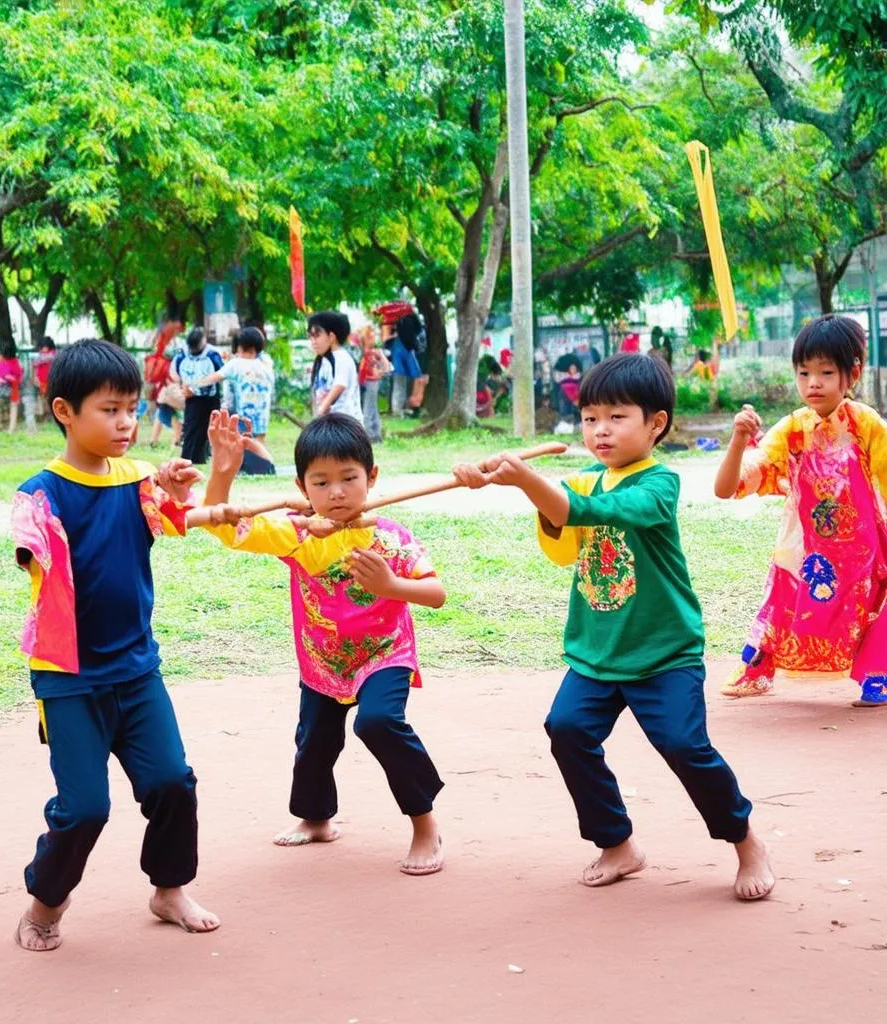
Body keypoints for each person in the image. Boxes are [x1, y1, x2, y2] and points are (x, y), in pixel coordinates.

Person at [453, 353, 775, 901]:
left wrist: (526, 479)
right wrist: (497, 481)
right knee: (568, 729)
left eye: (617, 417)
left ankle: (745, 839)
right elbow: (562, 532)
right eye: (590, 417)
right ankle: (616, 842)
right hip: (597, 651)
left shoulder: (660, 484)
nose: (600, 430)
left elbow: (588, 511)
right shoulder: (585, 479)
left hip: (663, 653)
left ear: (656, 424)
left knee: (683, 745)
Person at [10, 338, 219, 952]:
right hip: (68, 678)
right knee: (84, 810)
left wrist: (180, 492)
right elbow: (30, 544)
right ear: (64, 411)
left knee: (174, 782)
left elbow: (181, 517)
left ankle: (169, 888)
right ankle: (46, 902)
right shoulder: (41, 491)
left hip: (136, 669)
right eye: (110, 409)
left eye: (132, 408)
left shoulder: (139, 480)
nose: (126, 422)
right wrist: (34, 544)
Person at [185, 411, 447, 875]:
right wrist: (223, 472)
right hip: (323, 661)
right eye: (321, 483)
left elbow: (436, 594)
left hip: (385, 653)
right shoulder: (296, 533)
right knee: (314, 742)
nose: (338, 492)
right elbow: (224, 528)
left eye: (349, 478)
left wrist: (392, 587)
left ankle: (425, 826)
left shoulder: (391, 538)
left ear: (373, 477)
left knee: (379, 722)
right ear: (304, 488)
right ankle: (316, 818)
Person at [714, 314, 887, 707]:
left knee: (876, 600)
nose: (813, 383)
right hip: (808, 550)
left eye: (826, 372)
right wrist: (739, 440)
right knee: (784, 597)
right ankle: (757, 664)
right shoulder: (791, 430)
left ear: (852, 374)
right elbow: (727, 489)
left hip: (865, 548)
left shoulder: (867, 426)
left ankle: (877, 672)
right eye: (804, 372)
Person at [195, 325, 276, 475]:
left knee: (240, 442)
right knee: (258, 441)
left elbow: (216, 377)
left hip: (243, 414)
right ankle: (267, 466)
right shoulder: (266, 364)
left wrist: (196, 383)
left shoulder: (236, 364)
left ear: (240, 346)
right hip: (262, 413)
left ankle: (241, 469)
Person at [173, 326, 224, 464]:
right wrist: (182, 386)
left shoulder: (213, 354)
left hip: (211, 396)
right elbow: (174, 371)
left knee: (209, 428)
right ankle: (186, 458)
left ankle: (200, 458)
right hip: (191, 396)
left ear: (204, 341)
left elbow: (221, 373)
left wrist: (202, 385)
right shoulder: (182, 352)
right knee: (191, 427)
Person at [308, 311, 363, 423]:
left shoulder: (342, 357)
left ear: (331, 336)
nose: (313, 342)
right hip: (329, 421)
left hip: (345, 423)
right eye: (311, 337)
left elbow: (339, 385)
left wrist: (322, 408)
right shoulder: (323, 360)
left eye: (317, 336)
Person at [357, 325, 392, 442]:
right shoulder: (366, 354)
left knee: (368, 408)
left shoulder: (372, 354)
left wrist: (379, 372)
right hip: (367, 383)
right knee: (372, 408)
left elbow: (387, 368)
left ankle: (370, 435)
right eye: (370, 336)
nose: (373, 338)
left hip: (371, 383)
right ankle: (375, 433)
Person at [0, 350, 24, 433]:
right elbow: (19, 374)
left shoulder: (0, 363)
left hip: (6, 389)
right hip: (10, 388)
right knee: (6, 408)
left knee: (1, 408)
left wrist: (6, 378)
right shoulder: (14, 362)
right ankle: (8, 428)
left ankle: (5, 427)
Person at [32, 338, 57, 420]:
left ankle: (52, 414)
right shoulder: (40, 355)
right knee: (44, 397)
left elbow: (48, 358)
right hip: (41, 380)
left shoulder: (53, 354)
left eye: (45, 346)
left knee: (51, 397)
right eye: (42, 347)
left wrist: (38, 360)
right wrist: (35, 377)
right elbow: (35, 367)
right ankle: (47, 414)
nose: (43, 349)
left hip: (51, 379)